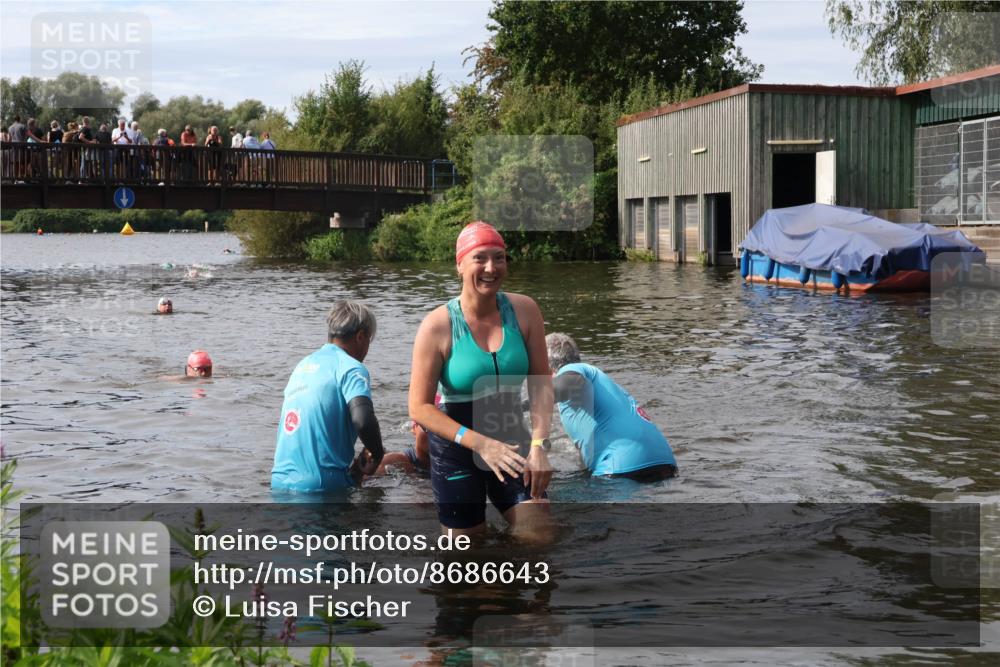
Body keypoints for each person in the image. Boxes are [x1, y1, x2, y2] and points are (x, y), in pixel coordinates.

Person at [408, 221, 554, 543]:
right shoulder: (437, 326)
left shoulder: (525, 311)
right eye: (480, 258)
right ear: (460, 265)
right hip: (457, 447)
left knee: (540, 537)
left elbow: (541, 384)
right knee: (466, 554)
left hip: (512, 442)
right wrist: (480, 443)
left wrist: (539, 446)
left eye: (499, 258)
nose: (491, 268)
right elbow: (418, 408)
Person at [271, 301, 385, 492]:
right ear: (360, 336)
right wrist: (377, 453)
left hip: (279, 482)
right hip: (322, 487)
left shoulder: (302, 366)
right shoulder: (351, 368)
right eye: (369, 340)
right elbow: (363, 420)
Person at [545, 333, 678, 481]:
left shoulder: (572, 370)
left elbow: (565, 384)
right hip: (665, 465)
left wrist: (524, 404)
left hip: (623, 468)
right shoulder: (598, 379)